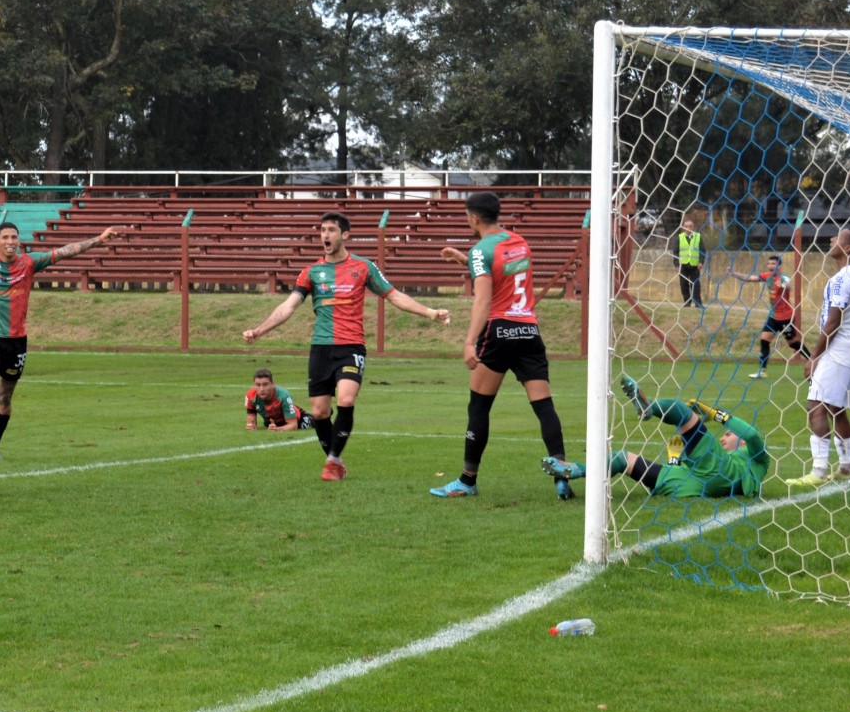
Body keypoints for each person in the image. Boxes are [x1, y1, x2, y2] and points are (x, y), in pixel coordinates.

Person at [242, 212, 450, 480]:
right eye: (322, 230)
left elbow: (394, 296)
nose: (325, 235)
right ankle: (336, 461)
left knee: (346, 399)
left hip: (351, 346)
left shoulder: (363, 267)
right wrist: (259, 330)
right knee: (320, 412)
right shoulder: (311, 272)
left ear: (345, 235)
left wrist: (430, 313)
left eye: (331, 230)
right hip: (321, 348)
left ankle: (331, 461)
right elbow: (288, 307)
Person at [0, 218, 122, 460]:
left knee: (5, 397)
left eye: (14, 237)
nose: (10, 241)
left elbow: (65, 251)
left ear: (18, 241)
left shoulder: (28, 263)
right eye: (5, 237)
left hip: (17, 342)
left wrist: (99, 240)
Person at [429, 192, 573, 500]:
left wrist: (469, 341)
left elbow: (483, 300)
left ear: (474, 218)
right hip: (528, 330)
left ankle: (467, 481)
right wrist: (465, 259)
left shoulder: (481, 250)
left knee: (479, 406)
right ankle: (561, 473)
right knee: (544, 406)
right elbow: (503, 272)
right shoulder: (519, 243)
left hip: (498, 331)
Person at [543, 375, 770, 500]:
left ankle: (649, 408)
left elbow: (751, 434)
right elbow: (689, 471)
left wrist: (716, 414)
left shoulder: (757, 458)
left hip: (715, 470)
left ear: (742, 441)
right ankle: (577, 470)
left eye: (728, 434)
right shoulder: (740, 463)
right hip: (689, 484)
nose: (722, 438)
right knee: (623, 459)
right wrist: (673, 457)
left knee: (681, 411)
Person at [785, 224, 850, 486]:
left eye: (838, 237)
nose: (832, 239)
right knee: (836, 409)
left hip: (839, 349)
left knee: (816, 406)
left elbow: (833, 321)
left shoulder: (842, 278)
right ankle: (845, 467)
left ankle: (819, 471)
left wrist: (814, 357)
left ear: (847, 247)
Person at [728, 255, 810, 379]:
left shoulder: (783, 278)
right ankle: (762, 371)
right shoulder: (767, 276)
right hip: (773, 317)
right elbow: (749, 278)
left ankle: (812, 359)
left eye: (773, 264)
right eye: (769, 264)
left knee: (793, 343)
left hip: (786, 318)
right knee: (764, 340)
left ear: (779, 266)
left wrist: (783, 285)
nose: (771, 266)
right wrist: (733, 273)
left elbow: (788, 285)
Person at [244, 368, 314, 431]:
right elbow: (251, 422)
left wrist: (277, 429)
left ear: (273, 384)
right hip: (273, 422)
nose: (261, 389)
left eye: (265, 384)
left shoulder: (284, 396)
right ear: (254, 385)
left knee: (312, 423)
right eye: (258, 385)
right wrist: (251, 426)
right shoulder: (250, 396)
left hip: (299, 420)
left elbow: (293, 425)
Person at [672, 216, 706, 308]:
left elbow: (702, 251)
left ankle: (698, 303)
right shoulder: (679, 237)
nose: (688, 228)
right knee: (684, 284)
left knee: (696, 284)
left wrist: (701, 262)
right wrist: (676, 265)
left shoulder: (698, 237)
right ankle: (687, 302)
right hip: (683, 265)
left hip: (695, 265)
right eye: (686, 226)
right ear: (683, 227)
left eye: (690, 226)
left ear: (693, 227)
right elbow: (675, 252)